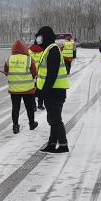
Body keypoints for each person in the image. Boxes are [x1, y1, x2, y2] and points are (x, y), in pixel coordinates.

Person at [34, 25, 70, 153]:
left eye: (40, 36)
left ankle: (63, 144)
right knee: (52, 119)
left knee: (55, 120)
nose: (38, 39)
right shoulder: (48, 49)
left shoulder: (53, 50)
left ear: (46, 37)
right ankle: (52, 143)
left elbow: (52, 75)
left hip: (55, 92)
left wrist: (44, 93)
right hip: (53, 91)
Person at [6, 39, 38, 133]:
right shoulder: (29, 59)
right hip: (28, 89)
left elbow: (6, 71)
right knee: (29, 107)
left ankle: (15, 126)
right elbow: (34, 73)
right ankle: (32, 124)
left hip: (14, 89)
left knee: (15, 108)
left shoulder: (9, 59)